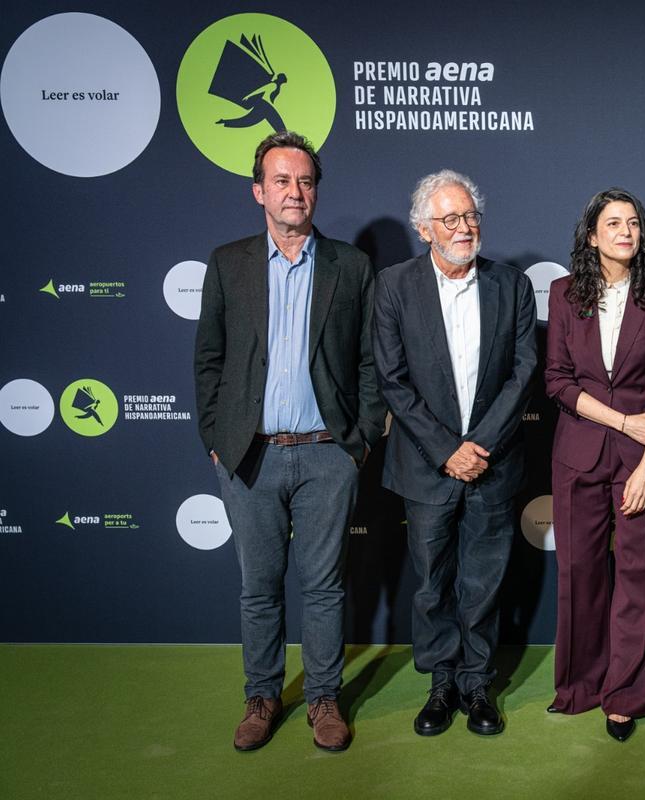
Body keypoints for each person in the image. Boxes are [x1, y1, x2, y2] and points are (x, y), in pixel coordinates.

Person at [194, 130, 385, 752]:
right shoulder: (228, 264)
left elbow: (368, 364)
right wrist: (217, 441)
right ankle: (262, 696)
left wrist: (356, 446)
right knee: (259, 586)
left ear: (315, 191)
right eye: (281, 180)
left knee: (325, 585)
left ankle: (324, 699)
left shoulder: (351, 267)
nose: (294, 191)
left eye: (304, 181)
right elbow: (210, 361)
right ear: (258, 192)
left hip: (328, 453)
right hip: (250, 455)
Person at [374, 170, 536, 737]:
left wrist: (481, 445)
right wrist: (447, 450)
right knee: (431, 584)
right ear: (425, 229)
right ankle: (441, 683)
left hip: (493, 464)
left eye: (470, 216)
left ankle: (476, 684)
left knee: (484, 582)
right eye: (451, 219)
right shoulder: (394, 286)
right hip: (425, 466)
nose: (465, 227)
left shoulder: (511, 285)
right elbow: (393, 381)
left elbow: (524, 373)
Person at [544, 188, 645, 742]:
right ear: (591, 235)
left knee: (640, 579)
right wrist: (624, 423)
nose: (624, 231)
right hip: (579, 452)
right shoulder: (563, 293)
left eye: (633, 223)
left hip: (644, 457)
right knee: (579, 574)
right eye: (612, 222)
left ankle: (625, 694)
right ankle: (579, 685)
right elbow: (558, 380)